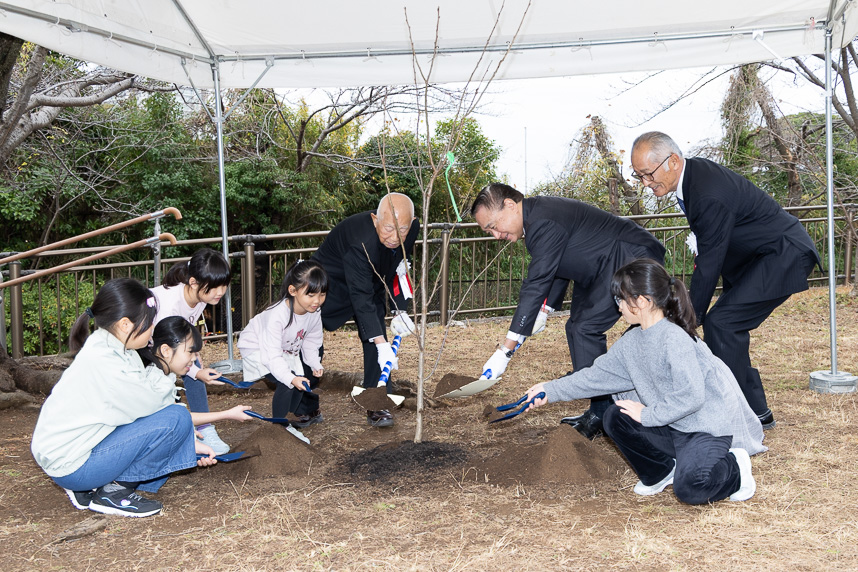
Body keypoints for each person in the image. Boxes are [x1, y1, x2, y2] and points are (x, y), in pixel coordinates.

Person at [523, 259, 765, 504]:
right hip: (670, 427)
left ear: (642, 302)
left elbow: (691, 396)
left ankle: (735, 468)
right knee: (614, 416)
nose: (618, 307)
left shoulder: (675, 339)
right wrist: (548, 390)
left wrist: (648, 415)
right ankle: (660, 472)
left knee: (691, 488)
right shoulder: (631, 342)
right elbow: (594, 377)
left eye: (620, 299)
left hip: (701, 430)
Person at [630, 132, 821, 429]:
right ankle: (755, 410)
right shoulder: (694, 177)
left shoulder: (707, 192)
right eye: (638, 175)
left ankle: (739, 414)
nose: (645, 182)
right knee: (726, 326)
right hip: (757, 258)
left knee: (723, 324)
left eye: (647, 174)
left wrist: (686, 319)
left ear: (674, 161)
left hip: (783, 254)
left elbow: (709, 263)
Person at [471, 183, 666, 439]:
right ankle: (602, 408)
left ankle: (605, 413)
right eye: (489, 232)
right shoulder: (536, 219)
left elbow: (537, 281)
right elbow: (558, 266)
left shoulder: (543, 221)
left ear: (509, 205)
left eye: (493, 226)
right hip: (600, 266)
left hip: (626, 256)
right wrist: (546, 309)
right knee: (576, 327)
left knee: (586, 329)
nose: (496, 236)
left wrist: (505, 350)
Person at [30, 278, 216, 518]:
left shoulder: (109, 347)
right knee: (177, 418)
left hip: (67, 454)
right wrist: (168, 370)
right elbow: (154, 406)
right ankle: (114, 492)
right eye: (149, 323)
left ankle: (90, 487)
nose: (152, 331)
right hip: (72, 465)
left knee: (174, 421)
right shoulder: (108, 363)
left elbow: (143, 404)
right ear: (126, 324)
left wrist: (186, 444)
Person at [311, 193, 418, 428]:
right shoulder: (359, 240)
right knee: (309, 342)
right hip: (330, 285)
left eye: (402, 229)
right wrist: (383, 345)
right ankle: (303, 405)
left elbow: (400, 266)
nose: (395, 237)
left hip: (372, 280)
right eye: (388, 228)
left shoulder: (410, 229)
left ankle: (378, 401)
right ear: (374, 220)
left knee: (375, 336)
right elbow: (360, 296)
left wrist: (400, 310)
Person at [151, 248, 232, 453]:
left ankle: (203, 429)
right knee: (167, 389)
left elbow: (183, 340)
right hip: (146, 352)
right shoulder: (169, 306)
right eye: (214, 287)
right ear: (194, 282)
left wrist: (195, 355)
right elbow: (164, 353)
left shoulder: (198, 298)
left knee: (193, 360)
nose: (220, 292)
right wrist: (197, 372)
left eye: (223, 285)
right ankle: (180, 433)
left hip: (166, 349)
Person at [238, 260, 327, 437]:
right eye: (310, 295)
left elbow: (311, 341)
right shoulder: (277, 315)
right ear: (292, 291)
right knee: (287, 380)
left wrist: (314, 362)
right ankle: (279, 426)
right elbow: (271, 355)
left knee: (298, 379)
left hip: (284, 350)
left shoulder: (314, 312)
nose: (317, 301)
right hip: (257, 348)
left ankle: (288, 417)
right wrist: (290, 377)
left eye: (322, 294)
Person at [139, 316, 254, 435]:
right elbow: (180, 419)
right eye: (190, 352)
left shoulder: (162, 373)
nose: (194, 358)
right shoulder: (156, 380)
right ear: (166, 350)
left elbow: (176, 415)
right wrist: (228, 414)